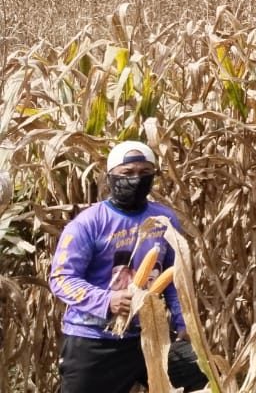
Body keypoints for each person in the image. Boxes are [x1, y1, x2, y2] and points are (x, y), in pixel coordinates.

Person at [49, 141, 207, 393]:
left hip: (150, 336)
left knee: (206, 375)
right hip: (95, 339)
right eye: (128, 173)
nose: (136, 179)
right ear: (110, 176)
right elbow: (61, 278)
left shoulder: (164, 220)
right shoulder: (88, 224)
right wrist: (107, 301)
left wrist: (183, 321)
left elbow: (175, 279)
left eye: (145, 173)